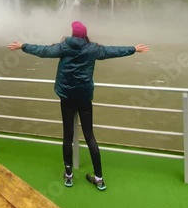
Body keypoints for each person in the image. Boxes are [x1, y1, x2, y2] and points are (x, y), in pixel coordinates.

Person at [8, 21, 149, 191]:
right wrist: (133, 49)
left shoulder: (63, 47)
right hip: (84, 97)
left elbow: (43, 51)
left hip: (67, 96)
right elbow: (113, 51)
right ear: (85, 35)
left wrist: (23, 46)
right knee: (90, 136)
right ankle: (99, 178)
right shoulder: (93, 49)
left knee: (68, 135)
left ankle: (68, 176)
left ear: (73, 34)